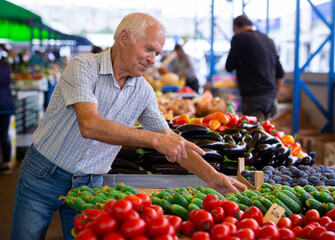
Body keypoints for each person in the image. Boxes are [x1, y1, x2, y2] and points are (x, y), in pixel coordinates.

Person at [11, 13, 247, 240]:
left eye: (157, 53)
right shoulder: (83, 67)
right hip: (44, 173)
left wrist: (212, 176)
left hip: (90, 183)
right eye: (149, 49)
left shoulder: (143, 91)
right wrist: (154, 140)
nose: (153, 60)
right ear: (124, 38)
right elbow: (90, 125)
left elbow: (169, 139)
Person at [225, 14, 285, 121]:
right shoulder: (268, 40)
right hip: (271, 98)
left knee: (254, 135)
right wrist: (275, 97)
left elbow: (229, 66)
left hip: (253, 98)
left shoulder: (239, 38)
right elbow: (280, 74)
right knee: (266, 133)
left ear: (235, 27)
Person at [0, 46, 16, 175]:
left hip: (3, 103)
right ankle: (6, 162)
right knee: (4, 134)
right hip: (6, 103)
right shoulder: (6, 65)